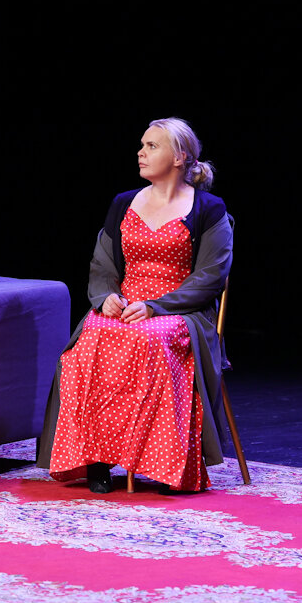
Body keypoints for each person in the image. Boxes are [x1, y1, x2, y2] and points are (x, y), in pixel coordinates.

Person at [37, 117, 233, 493]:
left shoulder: (208, 209)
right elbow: (102, 265)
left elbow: (210, 276)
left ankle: (167, 465)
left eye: (151, 146)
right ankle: (95, 459)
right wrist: (105, 297)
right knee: (89, 341)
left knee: (151, 341)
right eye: (142, 145)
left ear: (180, 157)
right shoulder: (124, 203)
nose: (141, 152)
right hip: (126, 305)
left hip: (182, 310)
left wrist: (157, 306)